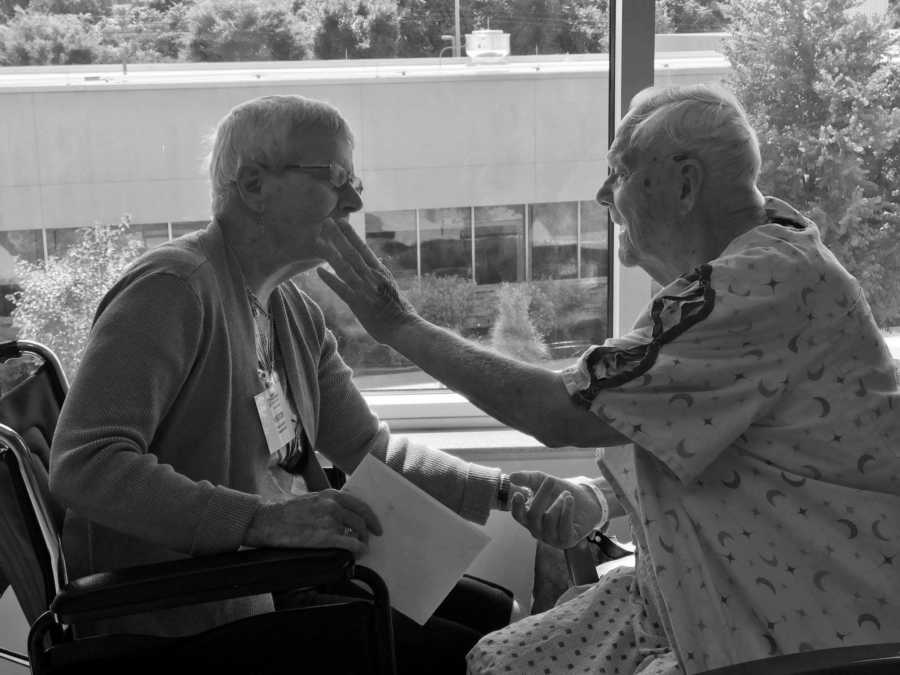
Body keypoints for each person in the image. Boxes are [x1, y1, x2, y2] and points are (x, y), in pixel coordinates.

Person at [317, 83, 900, 674]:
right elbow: (717, 447)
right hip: (718, 601)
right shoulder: (761, 265)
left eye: (618, 172)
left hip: (806, 626)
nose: (602, 194)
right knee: (499, 658)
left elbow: (560, 410)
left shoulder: (752, 287)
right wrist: (596, 503)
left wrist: (399, 325)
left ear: (686, 183)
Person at [49, 94, 518, 674]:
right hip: (186, 612)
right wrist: (263, 520)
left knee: (495, 615)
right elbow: (85, 465)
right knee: (468, 657)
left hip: (272, 582)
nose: (355, 198)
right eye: (335, 178)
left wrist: (505, 491)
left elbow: (369, 449)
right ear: (252, 186)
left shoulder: (292, 310)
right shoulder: (172, 288)